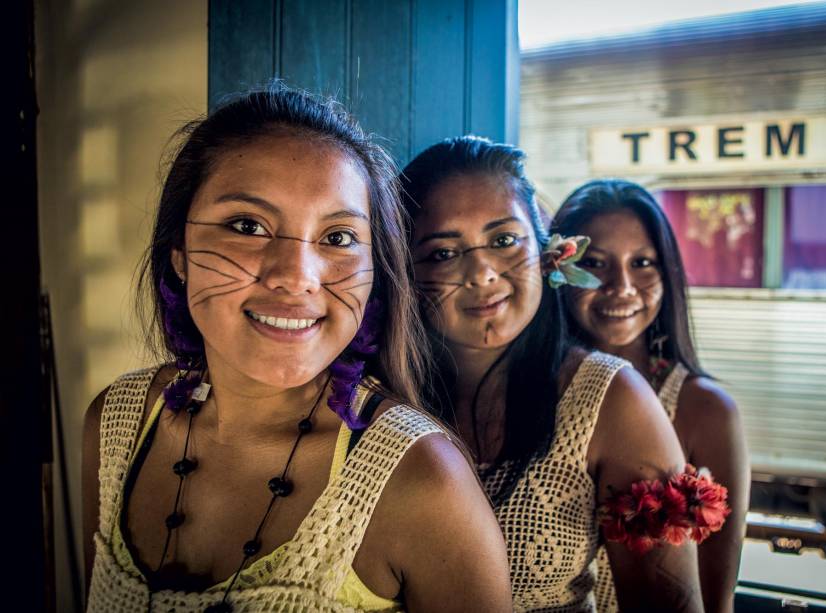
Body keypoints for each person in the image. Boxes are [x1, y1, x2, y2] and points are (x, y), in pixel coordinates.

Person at [82, 86, 512, 612]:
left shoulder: (420, 480)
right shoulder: (115, 425)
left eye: (337, 238)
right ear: (179, 254)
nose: (295, 277)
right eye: (247, 226)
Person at [402, 136, 726, 612]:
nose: (483, 273)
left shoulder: (611, 401)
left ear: (547, 252)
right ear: (404, 270)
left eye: (504, 240)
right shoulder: (375, 397)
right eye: (444, 253)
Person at [552, 179, 750, 613]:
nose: (621, 285)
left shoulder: (706, 411)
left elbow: (716, 600)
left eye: (642, 262)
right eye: (596, 263)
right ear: (557, 271)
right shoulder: (530, 392)